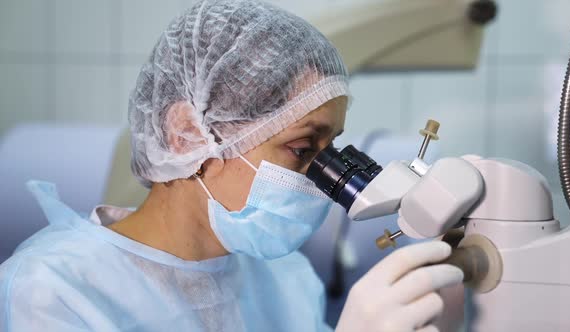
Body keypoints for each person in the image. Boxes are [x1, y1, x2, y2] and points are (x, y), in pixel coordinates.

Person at [0, 1, 463, 331]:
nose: (322, 178)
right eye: (303, 149)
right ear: (187, 133)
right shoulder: (53, 293)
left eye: (333, 146)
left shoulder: (285, 280)